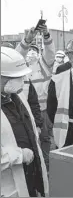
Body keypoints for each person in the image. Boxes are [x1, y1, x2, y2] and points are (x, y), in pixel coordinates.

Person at [1, 47, 49, 197]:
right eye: (14, 77)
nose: (20, 80)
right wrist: (18, 155)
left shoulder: (16, 96)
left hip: (30, 176)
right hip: (8, 186)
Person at [16, 25, 55, 172]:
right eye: (29, 50)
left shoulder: (43, 65)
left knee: (45, 141)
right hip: (25, 113)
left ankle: (47, 169)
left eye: (34, 50)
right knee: (28, 142)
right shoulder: (19, 67)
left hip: (43, 113)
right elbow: (16, 54)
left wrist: (46, 36)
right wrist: (27, 40)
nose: (31, 53)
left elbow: (50, 52)